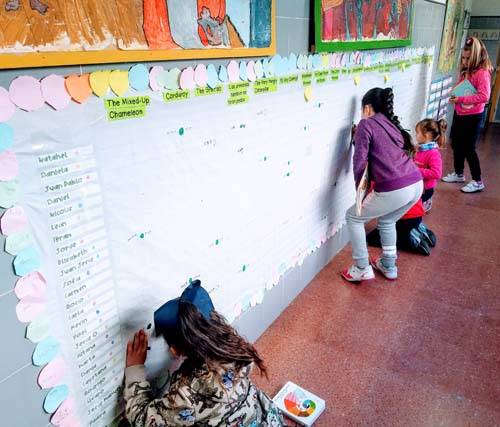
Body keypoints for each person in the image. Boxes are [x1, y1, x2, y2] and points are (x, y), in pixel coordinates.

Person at [123, 280, 286, 427]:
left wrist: (134, 368)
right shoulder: (235, 348)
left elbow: (142, 419)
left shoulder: (186, 396)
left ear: (175, 349)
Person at [342, 87, 423, 282]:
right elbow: (383, 150)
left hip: (395, 188)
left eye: (362, 110)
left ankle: (361, 266)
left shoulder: (365, 124)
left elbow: (359, 161)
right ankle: (388, 264)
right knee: (387, 221)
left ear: (367, 108)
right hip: (415, 183)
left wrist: (360, 193)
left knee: (354, 217)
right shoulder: (391, 124)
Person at [442, 37, 493, 193]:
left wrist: (462, 98)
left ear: (476, 57)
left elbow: (484, 96)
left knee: (469, 148)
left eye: (467, 58)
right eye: (463, 58)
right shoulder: (467, 70)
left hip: (473, 116)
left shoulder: (482, 73)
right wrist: (455, 97)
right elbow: (463, 87)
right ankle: (458, 173)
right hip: (460, 113)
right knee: (456, 144)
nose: (464, 61)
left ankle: (478, 181)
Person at [367, 199, 437, 256]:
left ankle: (410, 239)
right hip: (417, 212)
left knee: (371, 239)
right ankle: (418, 229)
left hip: (403, 219)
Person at [414, 118, 446, 212]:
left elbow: (436, 173)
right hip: (416, 185)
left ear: (427, 135)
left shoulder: (433, 153)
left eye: (417, 133)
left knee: (414, 212)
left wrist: (416, 170)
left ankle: (426, 203)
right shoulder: (419, 148)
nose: (415, 135)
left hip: (425, 190)